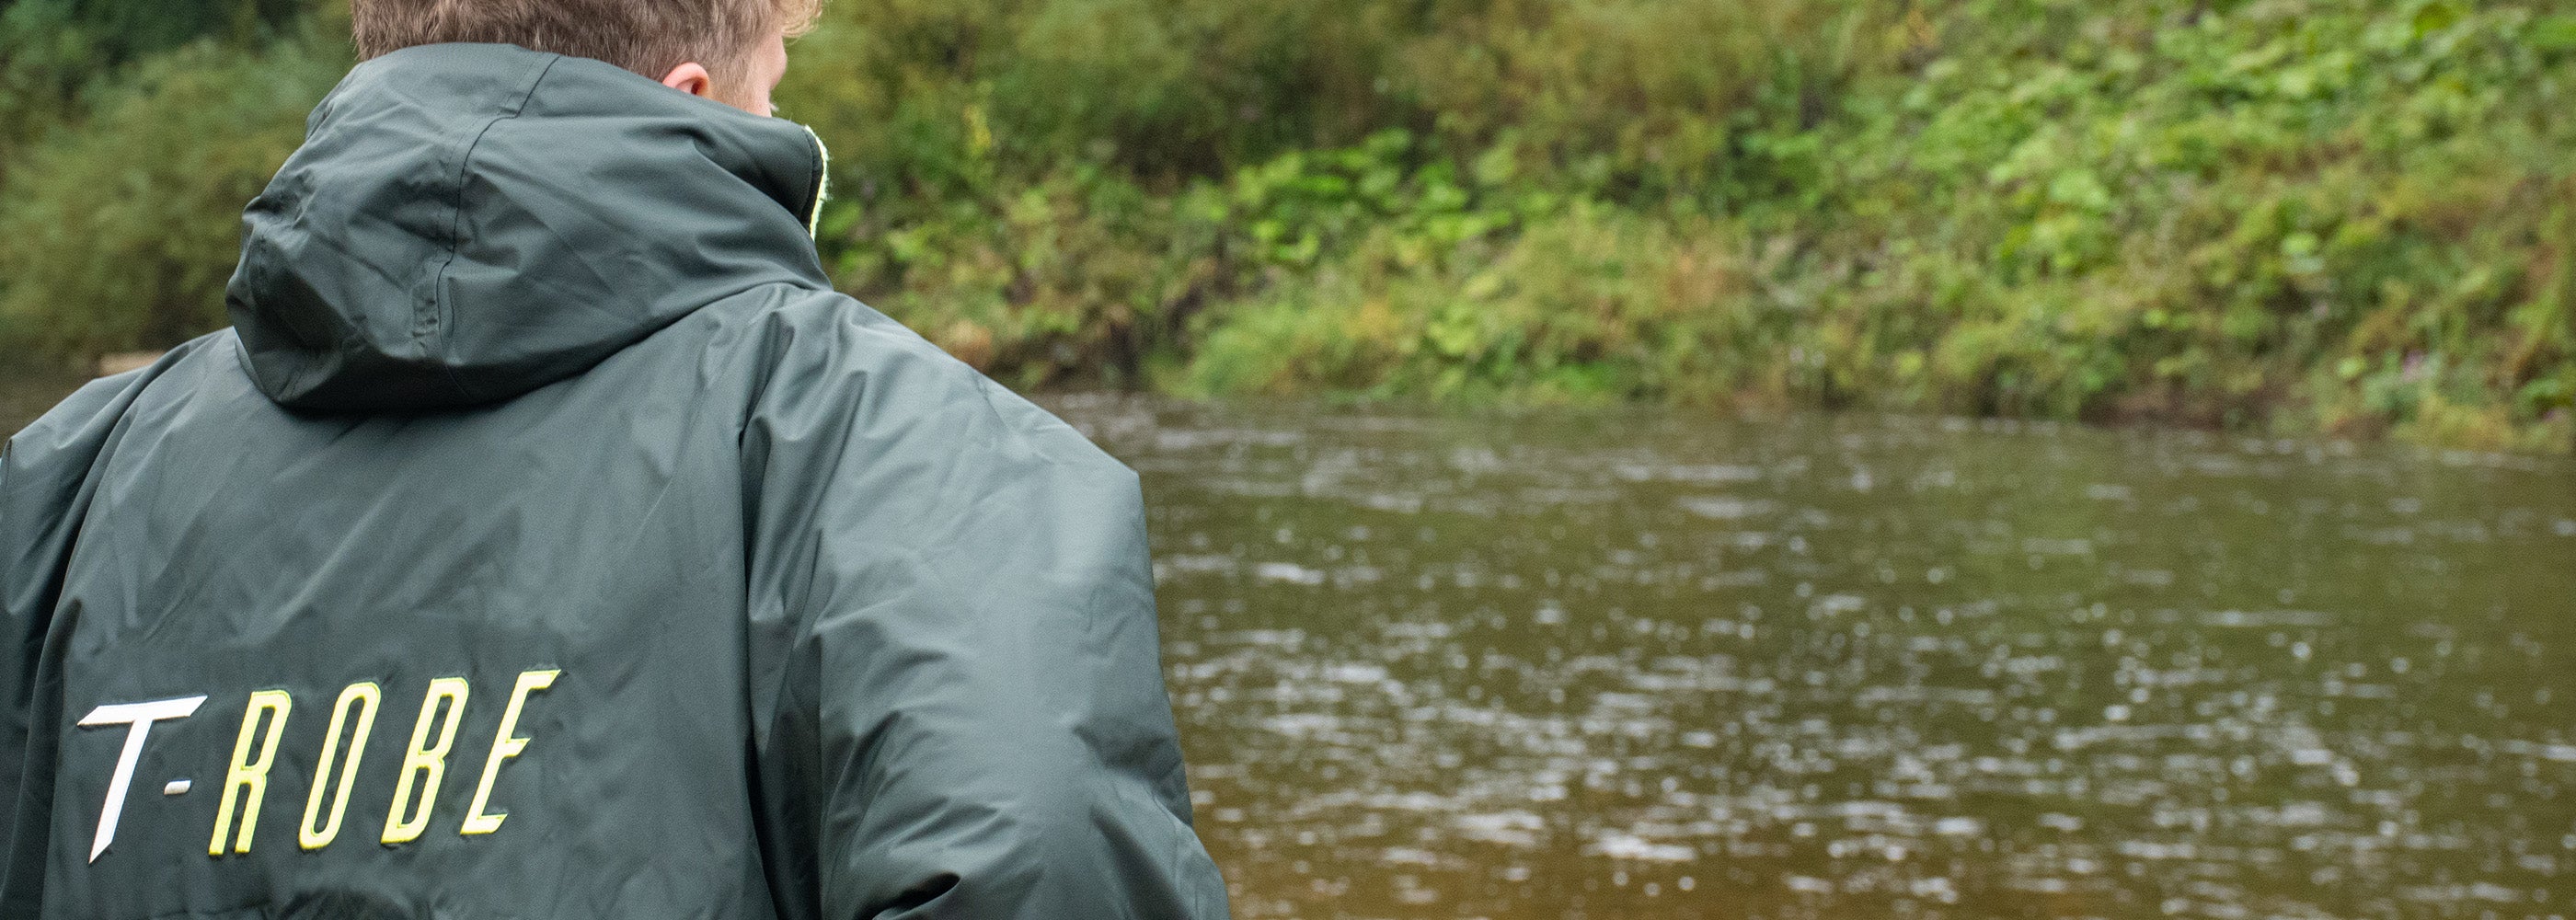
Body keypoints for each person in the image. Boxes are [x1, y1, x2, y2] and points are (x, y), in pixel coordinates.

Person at [0, 0, 1232, 916]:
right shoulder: (901, 452)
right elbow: (1042, 863)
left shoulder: (66, 477)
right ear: (692, 99)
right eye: (777, 85)